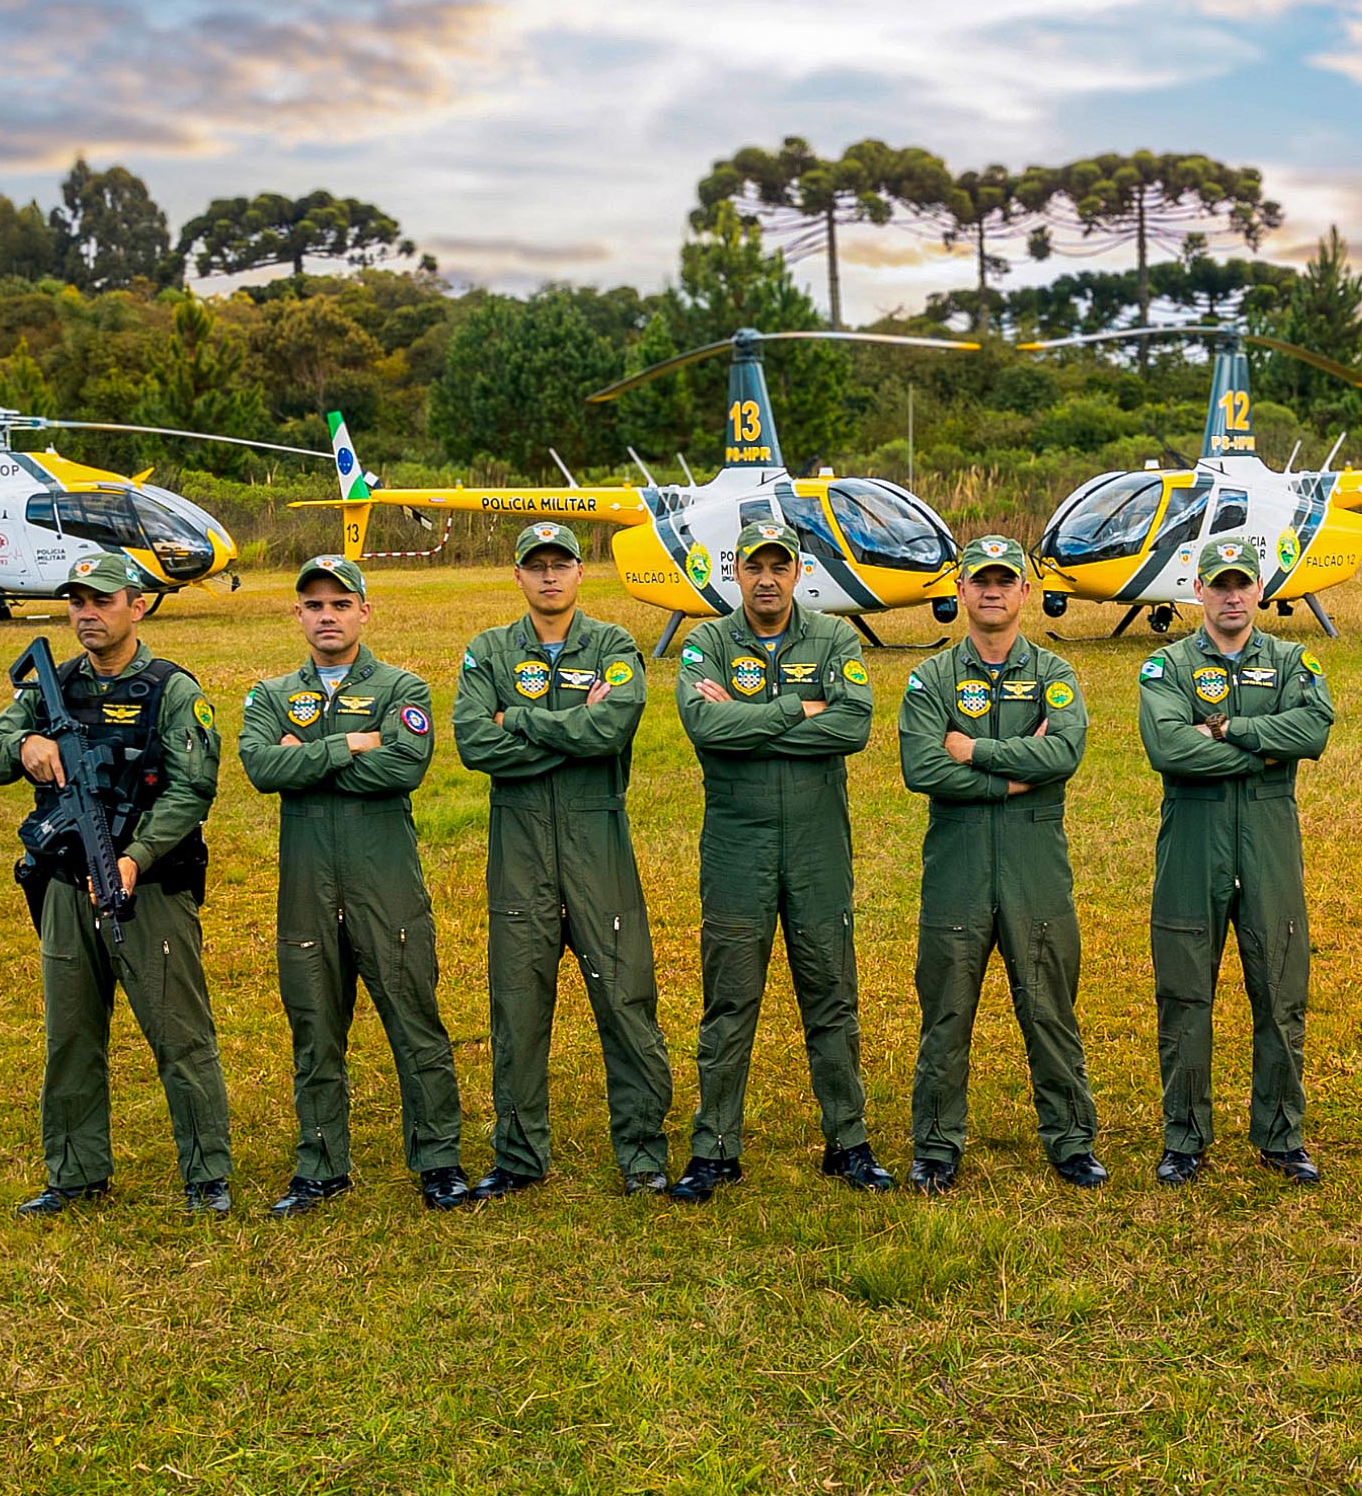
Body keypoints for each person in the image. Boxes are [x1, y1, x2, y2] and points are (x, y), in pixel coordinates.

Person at [0, 550, 234, 1215]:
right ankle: (75, 1173)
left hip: (149, 890)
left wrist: (134, 857)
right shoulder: (50, 686)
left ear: (137, 606)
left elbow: (191, 792)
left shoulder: (173, 690)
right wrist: (25, 748)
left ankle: (207, 1176)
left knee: (180, 1035)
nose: (87, 614)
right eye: (77, 602)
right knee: (71, 1036)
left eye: (102, 601)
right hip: (65, 884)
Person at [239, 555, 474, 1216]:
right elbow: (261, 765)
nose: (327, 616)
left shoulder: (404, 688)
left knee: (414, 1020)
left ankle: (438, 1161)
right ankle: (320, 1166)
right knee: (314, 1027)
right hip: (308, 886)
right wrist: (348, 746)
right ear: (298, 616)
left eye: (340, 604)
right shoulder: (272, 693)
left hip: (384, 881)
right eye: (314, 605)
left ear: (364, 612)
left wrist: (304, 756)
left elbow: (403, 767)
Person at [450, 521, 677, 1197]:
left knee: (626, 997)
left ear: (583, 573)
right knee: (517, 1004)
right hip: (519, 847)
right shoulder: (488, 651)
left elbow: (614, 726)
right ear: (517, 576)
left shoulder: (612, 645)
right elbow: (472, 742)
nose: (549, 575)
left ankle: (641, 1155)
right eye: (536, 565)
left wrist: (516, 719)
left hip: (596, 842)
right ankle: (519, 1157)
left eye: (562, 564)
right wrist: (572, 729)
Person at [668, 521, 891, 1201]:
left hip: (817, 843)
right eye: (755, 566)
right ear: (736, 571)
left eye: (780, 565)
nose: (767, 578)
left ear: (799, 572)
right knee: (730, 995)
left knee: (830, 989)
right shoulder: (708, 640)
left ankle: (847, 1141)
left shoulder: (833, 637)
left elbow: (853, 724)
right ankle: (714, 1149)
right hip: (737, 843)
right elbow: (705, 728)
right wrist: (801, 708)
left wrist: (751, 716)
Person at [896, 534, 1104, 1195]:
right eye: (978, 580)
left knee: (1049, 1007)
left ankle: (1071, 1141)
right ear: (959, 593)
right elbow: (922, 766)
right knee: (947, 1010)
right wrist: (1017, 769)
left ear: (1025, 592)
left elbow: (1065, 753)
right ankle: (935, 1146)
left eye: (1004, 580)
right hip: (956, 859)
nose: (991, 590)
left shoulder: (1054, 674)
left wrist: (976, 752)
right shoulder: (931, 677)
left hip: (1033, 860)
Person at [1134, 534, 1335, 1188]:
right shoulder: (1167, 667)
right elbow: (1168, 749)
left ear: (1258, 589)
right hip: (1194, 836)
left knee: (1279, 987)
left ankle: (1280, 1135)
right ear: (1198, 590)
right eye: (1218, 584)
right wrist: (1264, 747)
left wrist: (1223, 729)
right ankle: (1184, 1137)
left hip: (1269, 835)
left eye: (1241, 583)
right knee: (1186, 990)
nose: (1230, 595)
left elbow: (1313, 731)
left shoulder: (1291, 659)